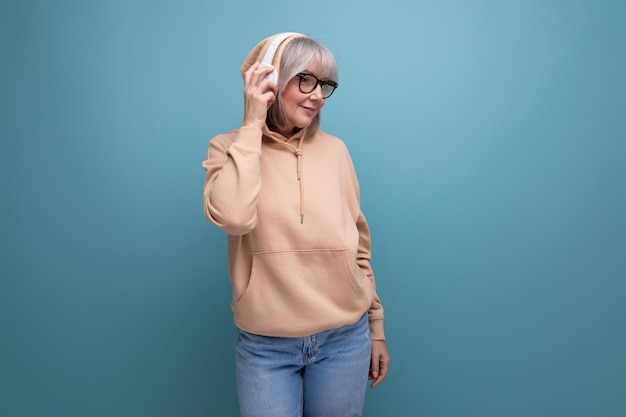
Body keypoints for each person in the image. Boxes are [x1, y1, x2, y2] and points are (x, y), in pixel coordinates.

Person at [202, 32, 390, 417]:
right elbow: (234, 217)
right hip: (265, 346)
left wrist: (376, 327)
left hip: (344, 339)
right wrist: (253, 121)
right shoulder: (228, 148)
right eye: (305, 80)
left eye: (325, 85)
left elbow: (358, 246)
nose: (318, 94)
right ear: (271, 78)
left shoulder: (337, 151)